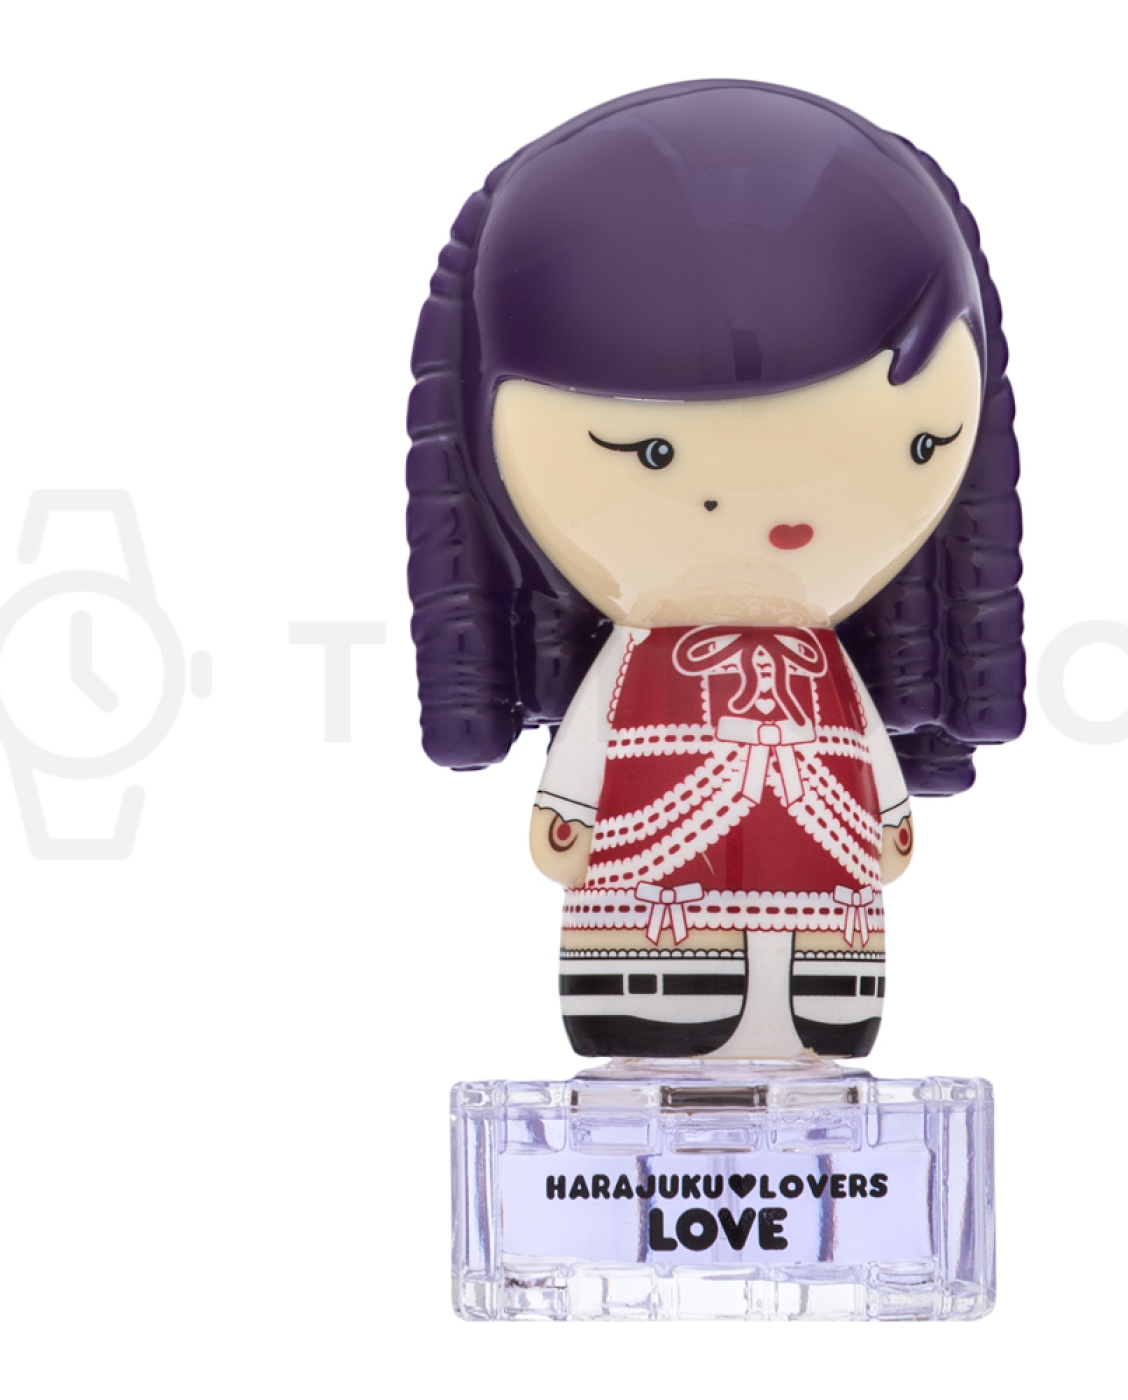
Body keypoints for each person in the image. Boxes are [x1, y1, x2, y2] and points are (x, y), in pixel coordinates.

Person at [405, 79, 1024, 1060]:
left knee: (822, 1016)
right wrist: (572, 809)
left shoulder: (802, 668)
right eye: (652, 453)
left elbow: (855, 746)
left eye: (923, 445)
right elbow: (595, 746)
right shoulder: (641, 667)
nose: (786, 514)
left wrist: (887, 812)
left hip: (822, 900)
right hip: (658, 904)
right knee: (668, 1009)